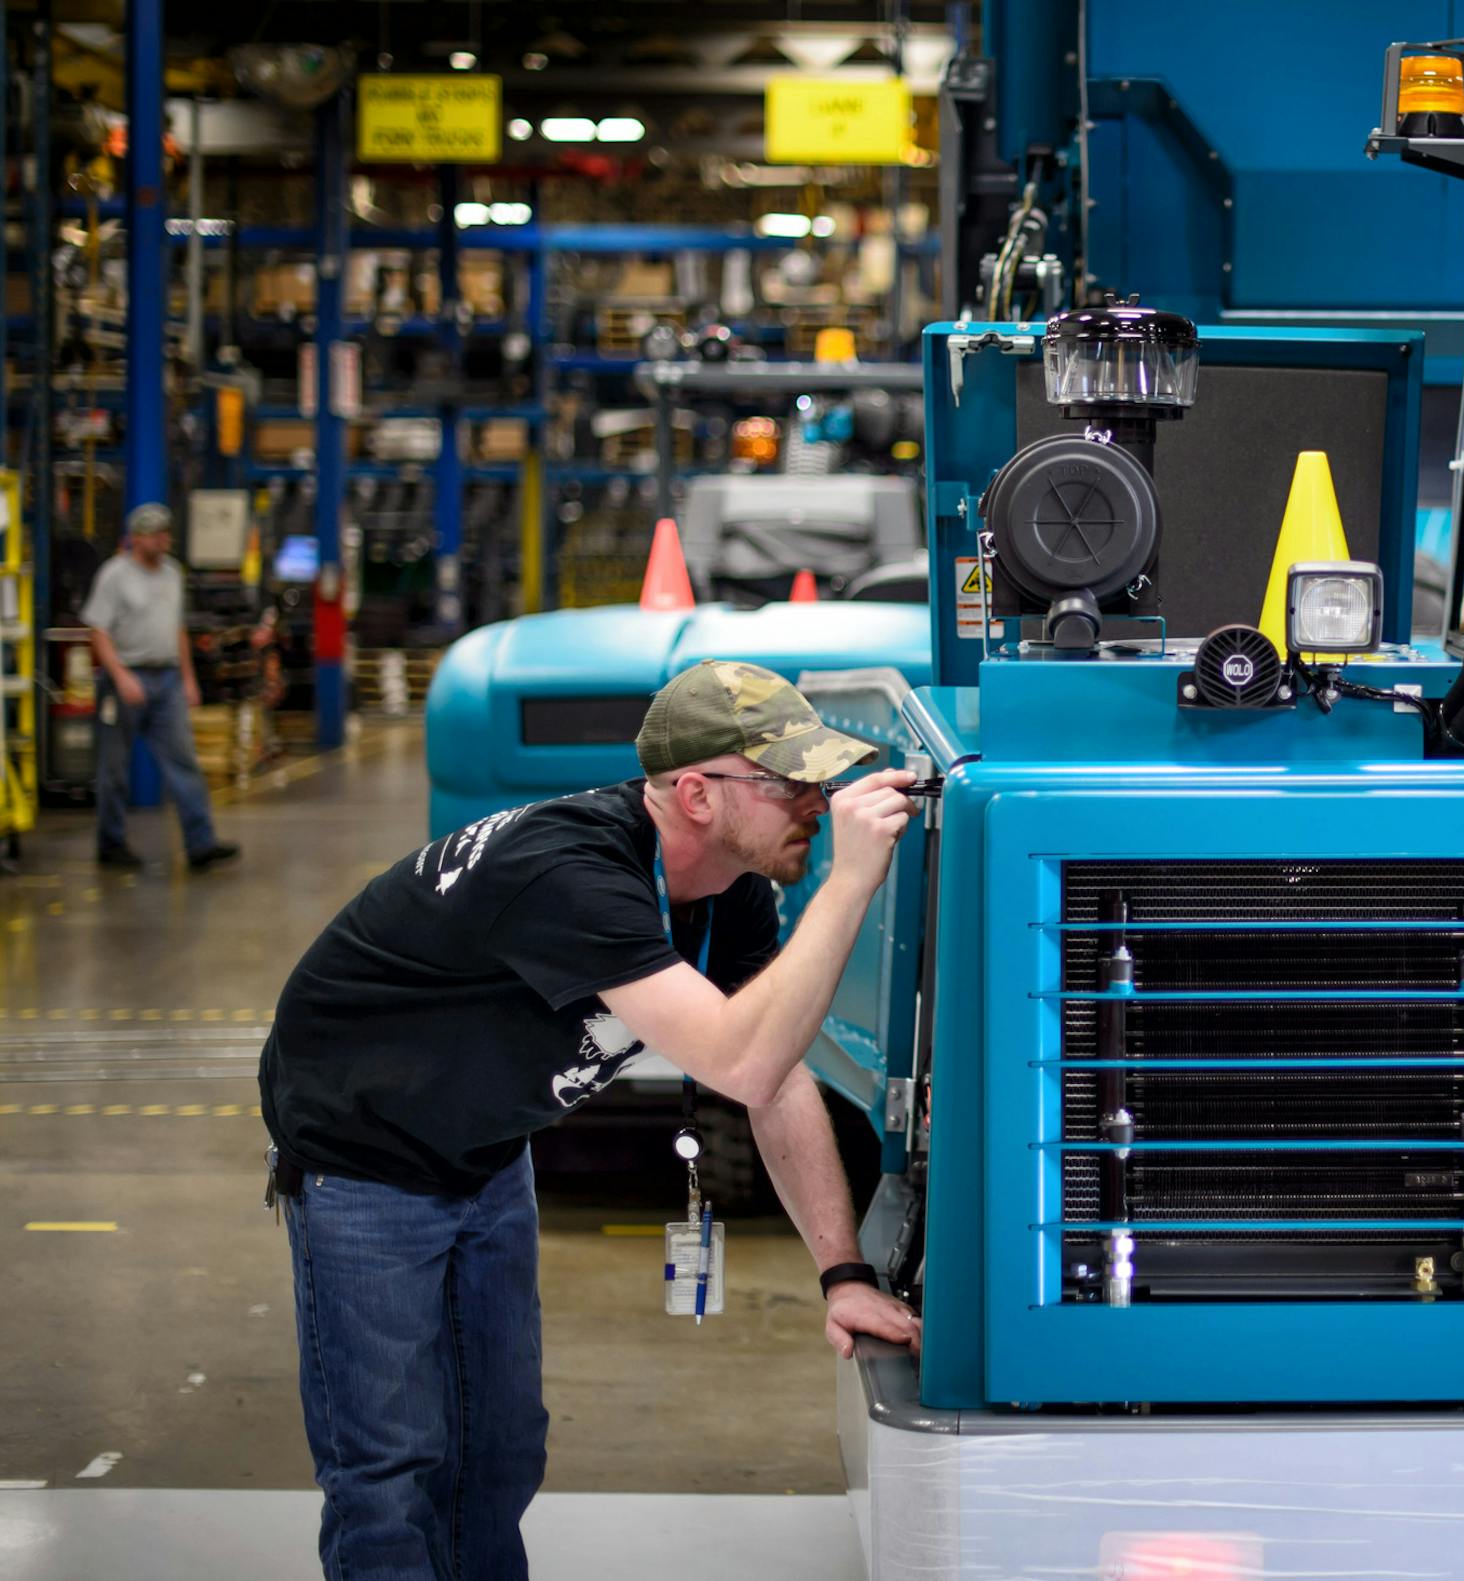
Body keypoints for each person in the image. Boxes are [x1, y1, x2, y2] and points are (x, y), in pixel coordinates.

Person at [258, 660, 923, 1580]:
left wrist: (842, 1273)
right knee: (389, 1469)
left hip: (486, 1148)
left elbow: (775, 1081)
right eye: (790, 782)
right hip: (364, 1157)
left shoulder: (729, 889)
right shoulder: (571, 873)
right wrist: (850, 883)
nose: (817, 802)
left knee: (499, 1447)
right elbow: (739, 1058)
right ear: (697, 794)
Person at [81, 501, 239, 871]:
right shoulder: (114, 575)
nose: (163, 539)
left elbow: (177, 629)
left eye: (166, 533)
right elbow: (98, 632)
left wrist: (188, 678)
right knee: (114, 767)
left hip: (167, 679)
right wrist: (121, 676)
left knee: (184, 762)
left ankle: (201, 844)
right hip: (126, 679)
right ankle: (110, 843)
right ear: (137, 537)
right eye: (156, 534)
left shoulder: (172, 573)